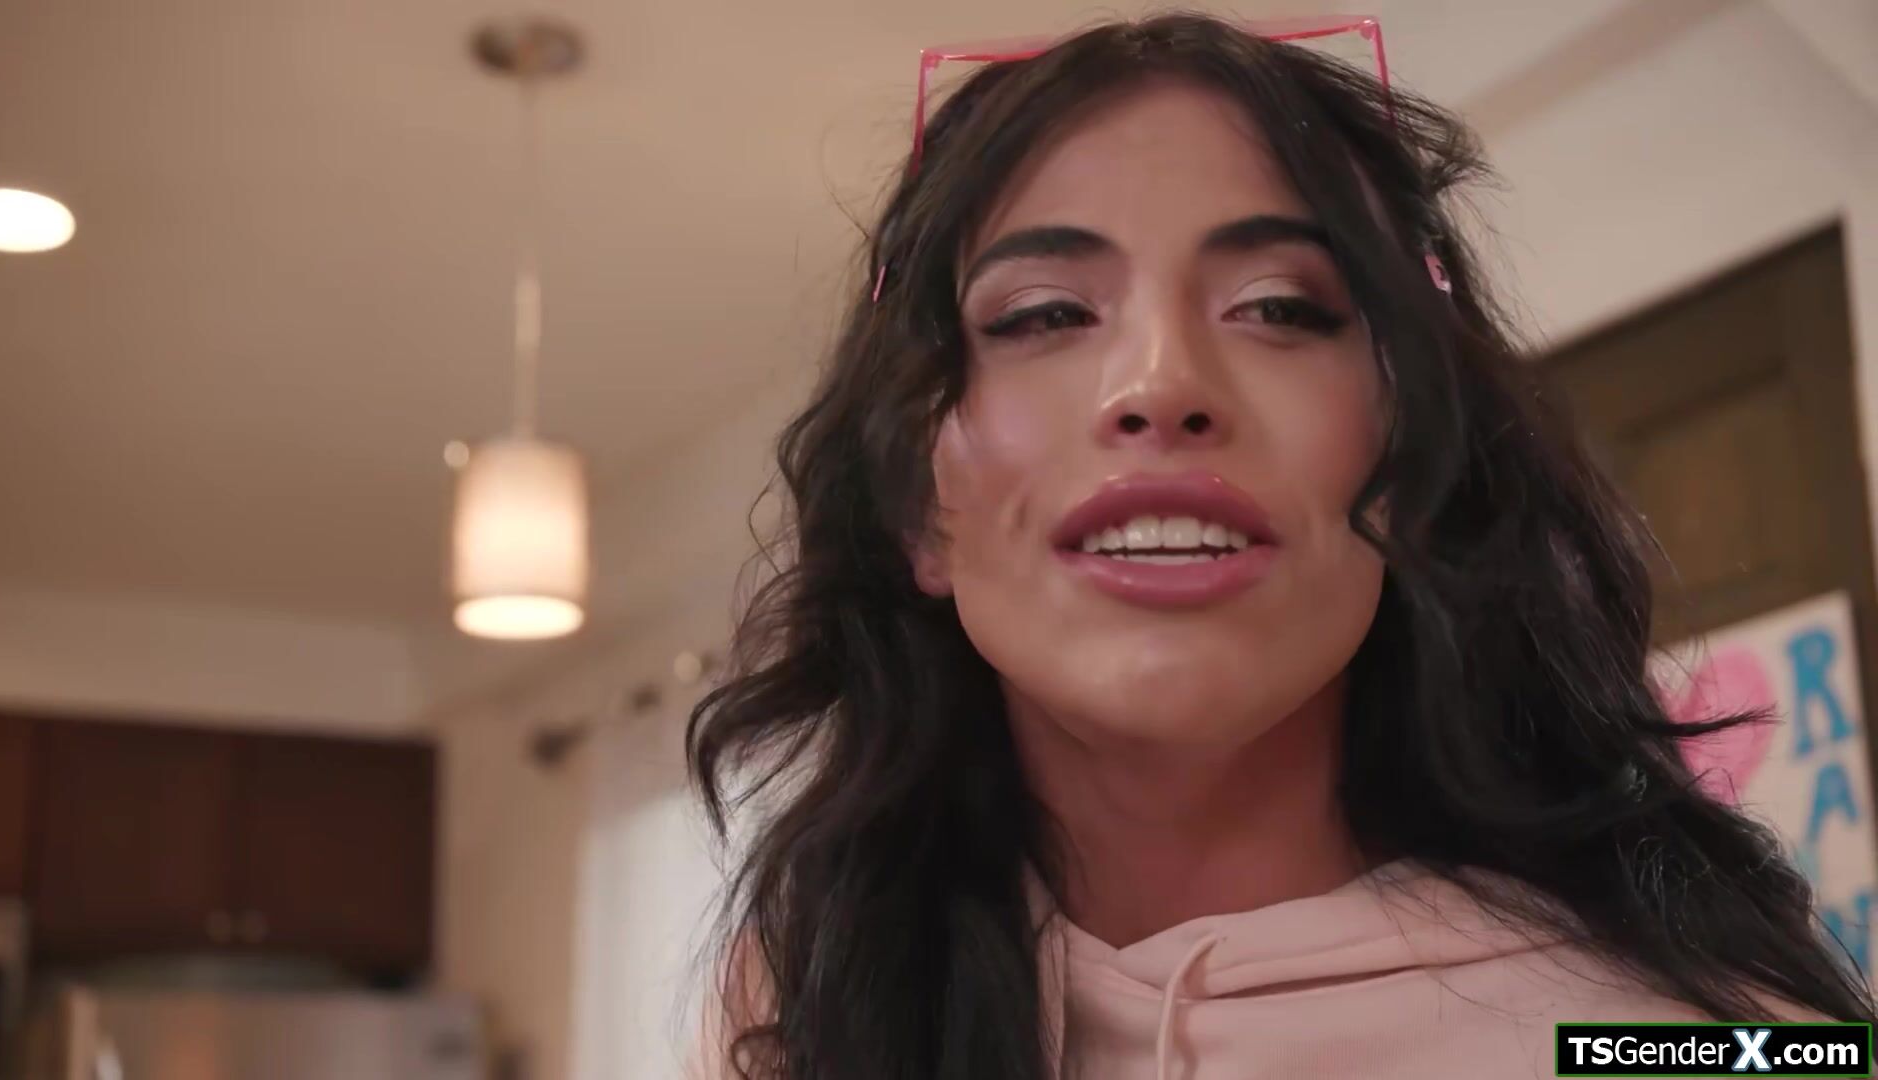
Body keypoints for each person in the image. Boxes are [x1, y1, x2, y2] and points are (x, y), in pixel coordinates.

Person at [685, 13, 1875, 1080]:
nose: (1161, 386)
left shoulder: (1702, 1048)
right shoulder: (802, 1009)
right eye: (1044, 314)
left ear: (1414, 472)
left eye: (1279, 308)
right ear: (915, 510)